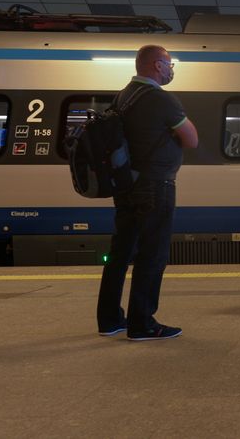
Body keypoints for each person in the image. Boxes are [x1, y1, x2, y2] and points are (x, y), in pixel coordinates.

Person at [96, 45, 198, 341]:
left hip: (127, 184)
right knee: (152, 254)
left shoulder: (123, 96)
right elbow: (191, 138)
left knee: (120, 252)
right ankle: (143, 323)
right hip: (155, 185)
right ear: (156, 65)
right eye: (168, 64)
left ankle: (110, 319)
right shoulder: (160, 98)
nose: (170, 69)